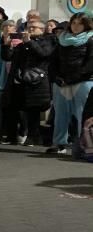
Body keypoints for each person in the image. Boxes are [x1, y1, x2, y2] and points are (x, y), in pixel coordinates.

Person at [2, 19, 54, 146]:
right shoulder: (22, 44)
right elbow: (8, 57)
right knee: (13, 107)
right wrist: (6, 45)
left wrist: (29, 42)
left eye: (33, 28)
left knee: (33, 111)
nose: (30, 30)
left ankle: (33, 137)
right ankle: (11, 136)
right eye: (29, 27)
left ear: (41, 30)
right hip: (20, 81)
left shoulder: (47, 41)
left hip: (37, 82)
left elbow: (43, 54)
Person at [46, 12, 93, 155]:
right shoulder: (62, 39)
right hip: (62, 82)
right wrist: (56, 77)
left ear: (86, 25)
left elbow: (91, 63)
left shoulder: (91, 39)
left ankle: (83, 144)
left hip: (83, 82)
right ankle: (59, 143)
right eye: (73, 23)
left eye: (80, 23)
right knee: (60, 114)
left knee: (82, 115)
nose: (76, 26)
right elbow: (53, 61)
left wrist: (74, 78)